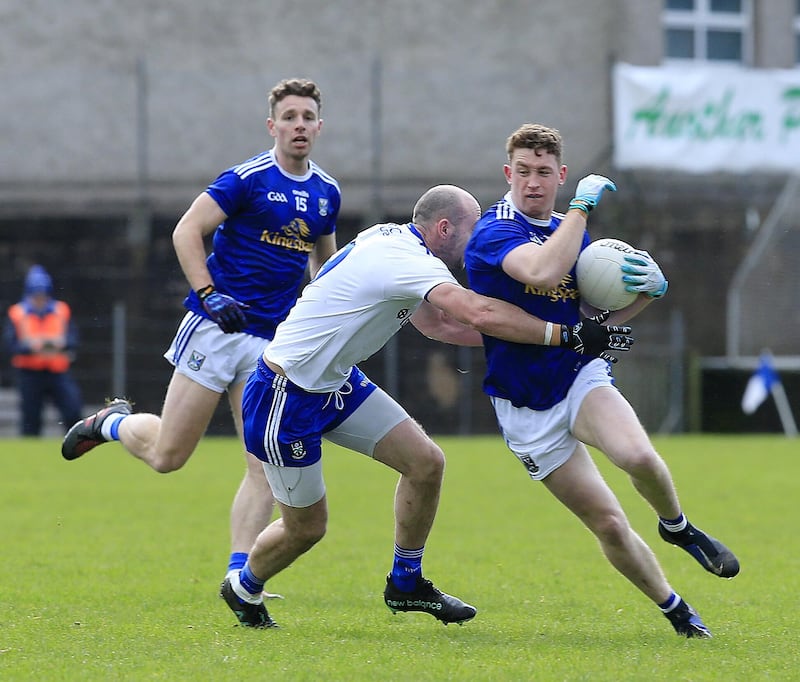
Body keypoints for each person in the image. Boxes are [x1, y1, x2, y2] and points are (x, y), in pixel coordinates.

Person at [219, 182, 632, 628]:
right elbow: (477, 314)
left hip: (335, 384)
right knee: (307, 529)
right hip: (286, 395)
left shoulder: (392, 240)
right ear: (443, 228)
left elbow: (441, 326)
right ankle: (243, 587)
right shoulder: (407, 261)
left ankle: (406, 583)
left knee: (426, 463)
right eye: (475, 229)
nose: (482, 240)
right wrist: (565, 335)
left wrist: (555, 338)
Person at [60, 78, 340, 592]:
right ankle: (111, 424)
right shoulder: (246, 179)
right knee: (169, 456)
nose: (299, 125)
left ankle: (239, 577)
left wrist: (320, 323)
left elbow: (324, 267)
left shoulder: (327, 193)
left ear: (319, 126)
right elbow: (186, 230)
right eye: (290, 116)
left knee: (262, 467)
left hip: (268, 345)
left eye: (307, 117)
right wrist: (210, 294)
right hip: (215, 329)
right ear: (272, 124)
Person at [463, 123, 740, 639]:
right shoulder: (493, 231)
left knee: (638, 457)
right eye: (523, 172)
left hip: (577, 377)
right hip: (525, 409)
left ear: (560, 175)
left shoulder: (574, 233)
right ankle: (677, 610)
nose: (533, 183)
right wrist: (582, 207)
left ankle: (676, 526)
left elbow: (591, 328)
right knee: (609, 524)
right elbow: (543, 273)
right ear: (508, 174)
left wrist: (646, 295)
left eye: (544, 172)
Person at [4, 265, 82, 436]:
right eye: (36, 296)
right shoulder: (17, 313)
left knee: (72, 409)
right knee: (31, 417)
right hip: (29, 371)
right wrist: (30, 347)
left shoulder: (61, 310)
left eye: (43, 295)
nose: (40, 299)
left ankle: (76, 443)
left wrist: (61, 345)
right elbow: (11, 344)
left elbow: (73, 338)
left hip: (57, 370)